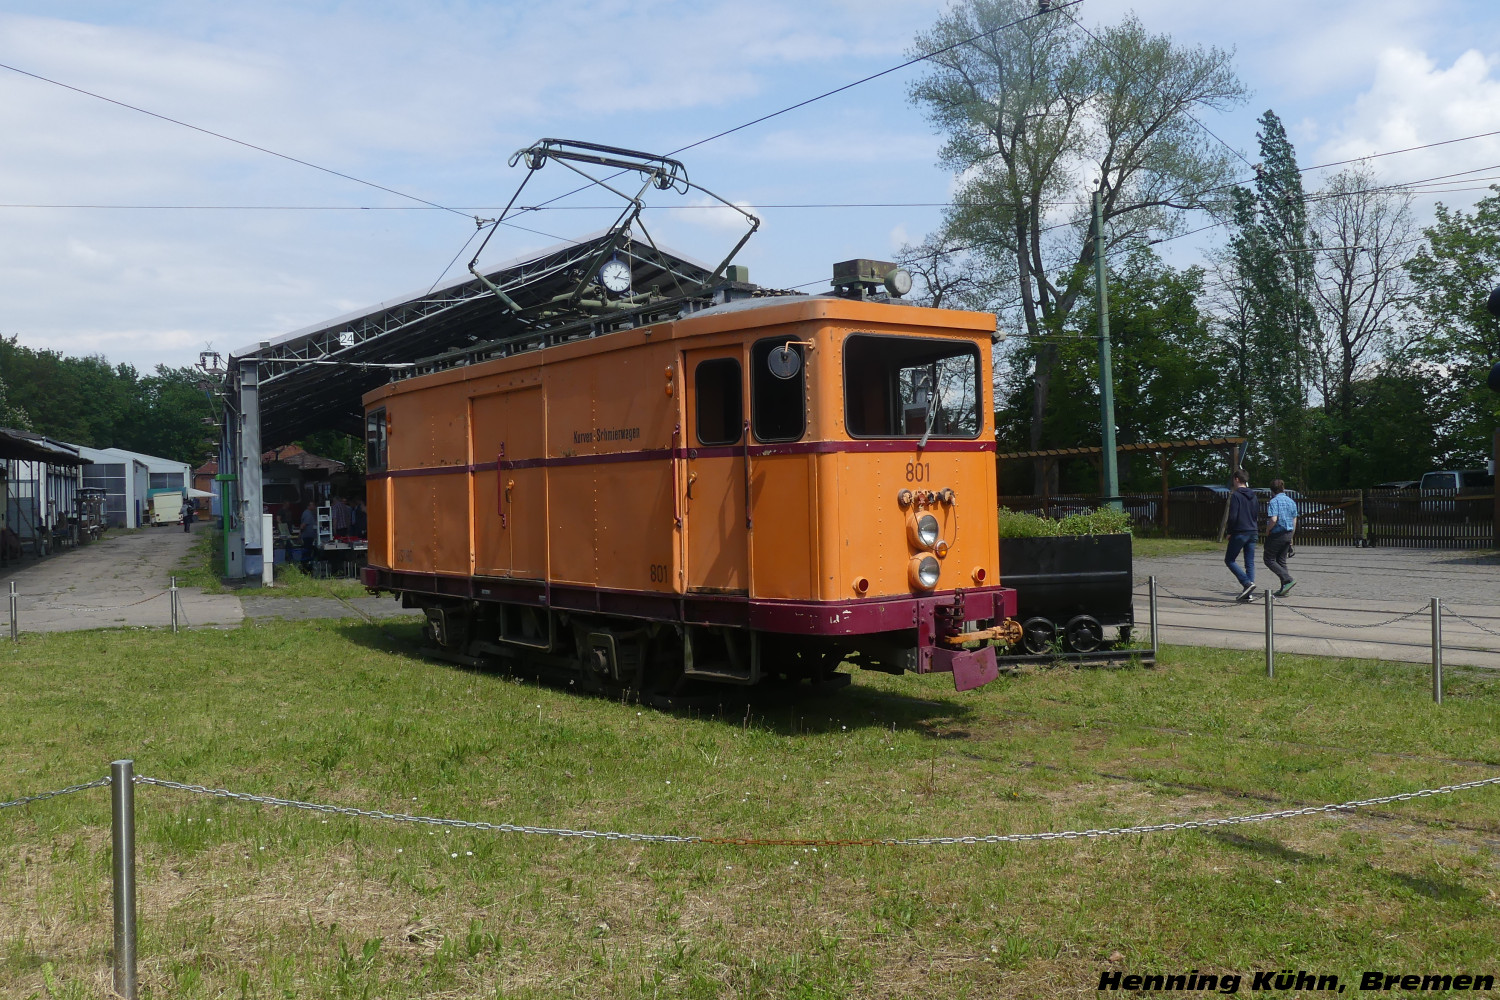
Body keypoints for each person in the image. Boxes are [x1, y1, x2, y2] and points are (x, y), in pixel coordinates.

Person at [1224, 471, 1258, 600]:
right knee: (1249, 562)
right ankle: (1248, 593)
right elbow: (1256, 513)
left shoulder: (1236, 495)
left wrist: (1230, 531)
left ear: (1236, 479)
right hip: (1253, 531)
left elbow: (1233, 516)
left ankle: (1246, 583)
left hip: (1240, 531)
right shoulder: (1253, 495)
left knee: (1229, 560)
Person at [1264, 479, 1298, 597]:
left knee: (1269, 559)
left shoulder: (1274, 501)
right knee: (1281, 560)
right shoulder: (1291, 501)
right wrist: (1292, 537)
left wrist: (1267, 530)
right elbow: (1294, 520)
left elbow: (1273, 519)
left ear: (1272, 490)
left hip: (1277, 534)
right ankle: (1285, 588)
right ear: (1283, 488)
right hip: (1288, 533)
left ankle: (1288, 579)